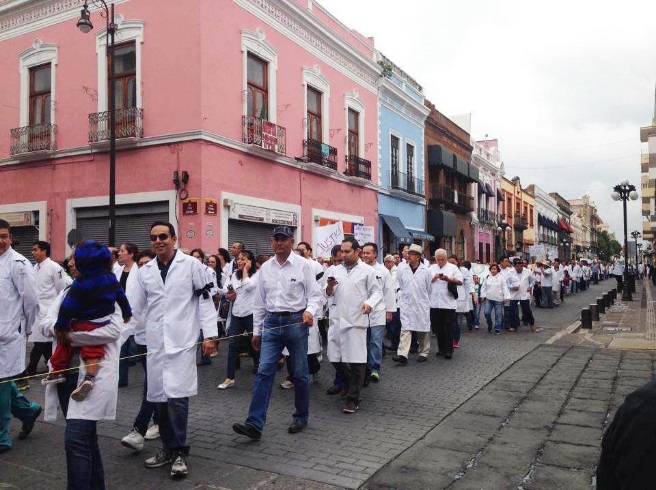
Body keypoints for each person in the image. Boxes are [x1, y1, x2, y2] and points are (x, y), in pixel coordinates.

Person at [128, 221, 218, 478]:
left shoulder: (191, 266)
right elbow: (132, 310)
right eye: (154, 237)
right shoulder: (144, 272)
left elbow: (205, 302)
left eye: (163, 236)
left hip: (182, 342)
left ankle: (179, 452)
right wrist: (117, 337)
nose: (158, 241)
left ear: (174, 238)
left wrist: (210, 335)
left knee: (178, 398)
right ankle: (168, 448)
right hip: (155, 344)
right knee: (159, 399)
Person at [39, 252, 124, 489]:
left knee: (75, 439)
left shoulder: (109, 292)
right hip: (65, 374)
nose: (72, 264)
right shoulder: (67, 291)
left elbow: (113, 331)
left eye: (78, 260)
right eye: (72, 260)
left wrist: (69, 334)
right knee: (86, 438)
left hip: (93, 376)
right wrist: (59, 329)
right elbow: (46, 321)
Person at [232, 226, 323, 440]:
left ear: (291, 242)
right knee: (264, 373)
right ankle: (254, 423)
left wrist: (309, 312)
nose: (279, 243)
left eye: (284, 239)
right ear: (271, 242)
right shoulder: (265, 269)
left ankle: (301, 416)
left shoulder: (303, 266)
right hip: (271, 324)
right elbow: (259, 303)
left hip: (296, 322)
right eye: (276, 239)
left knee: (300, 374)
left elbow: (315, 296)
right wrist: (257, 331)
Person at [42, 242, 132, 403]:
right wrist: (127, 313)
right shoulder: (111, 279)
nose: (70, 263)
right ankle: (90, 377)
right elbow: (122, 297)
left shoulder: (80, 284)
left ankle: (57, 370)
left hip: (82, 323)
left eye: (74, 259)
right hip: (101, 321)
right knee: (93, 349)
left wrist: (62, 328)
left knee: (63, 347)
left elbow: (67, 308)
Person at [325, 238, 382, 413]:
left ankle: (353, 399)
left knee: (356, 361)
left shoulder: (367, 271)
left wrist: (369, 304)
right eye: (342, 251)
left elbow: (377, 292)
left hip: (356, 320)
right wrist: (328, 287)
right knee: (334, 356)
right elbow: (326, 294)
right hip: (337, 320)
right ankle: (350, 384)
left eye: (347, 251)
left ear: (357, 251)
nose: (343, 254)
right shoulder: (335, 270)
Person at [0, 219, 42, 453]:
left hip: (7, 335)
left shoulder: (18, 264)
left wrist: (23, 328)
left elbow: (31, 302)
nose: (0, 241)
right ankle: (29, 410)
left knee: (1, 386)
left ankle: (1, 436)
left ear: (10, 236)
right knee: (2, 386)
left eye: (4, 236)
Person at [120, 249, 161, 452]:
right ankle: (158, 421)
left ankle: (140, 428)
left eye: (148, 263)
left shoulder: (160, 281)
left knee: (152, 384)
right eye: (141, 264)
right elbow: (132, 312)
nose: (144, 267)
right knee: (154, 383)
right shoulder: (136, 282)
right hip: (142, 339)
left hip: (162, 341)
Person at [16, 240, 71, 391]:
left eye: (35, 250)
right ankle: (52, 364)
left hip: (48, 309)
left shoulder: (54, 267)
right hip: (37, 309)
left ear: (44, 251)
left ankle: (31, 369)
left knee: (41, 341)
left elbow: (61, 288)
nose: (32, 252)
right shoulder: (34, 267)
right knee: (42, 341)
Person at [218, 250, 259, 390]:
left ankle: (261, 372)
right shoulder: (234, 275)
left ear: (250, 261)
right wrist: (229, 293)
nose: (240, 261)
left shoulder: (257, 275)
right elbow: (225, 289)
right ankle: (229, 377)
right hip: (237, 313)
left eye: (244, 259)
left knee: (256, 343)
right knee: (232, 345)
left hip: (251, 313)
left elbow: (249, 287)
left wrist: (246, 271)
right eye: (239, 259)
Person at [392, 244, 433, 364]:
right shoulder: (402, 269)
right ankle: (403, 355)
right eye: (408, 253)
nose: (408, 256)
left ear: (418, 257)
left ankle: (423, 352)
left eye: (411, 254)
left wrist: (424, 300)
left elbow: (429, 289)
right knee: (405, 329)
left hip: (421, 304)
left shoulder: (426, 271)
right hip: (407, 303)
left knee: (423, 330)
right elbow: (399, 283)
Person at [360, 243, 396, 383]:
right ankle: (364, 367)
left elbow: (389, 291)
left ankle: (375, 368)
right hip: (362, 311)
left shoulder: (383, 271)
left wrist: (389, 311)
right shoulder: (360, 269)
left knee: (375, 341)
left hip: (379, 310)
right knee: (363, 341)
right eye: (363, 253)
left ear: (375, 254)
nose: (365, 255)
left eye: (368, 253)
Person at [428, 249, 463, 359]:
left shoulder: (453, 268)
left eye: (442, 259)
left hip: (448, 303)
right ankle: (441, 349)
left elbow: (460, 281)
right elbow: (425, 282)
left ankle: (449, 350)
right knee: (438, 328)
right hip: (434, 303)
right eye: (438, 260)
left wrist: (449, 279)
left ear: (446, 258)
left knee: (448, 327)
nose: (440, 262)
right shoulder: (431, 268)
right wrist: (434, 278)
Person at [116, 242, 139, 387]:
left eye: (122, 251)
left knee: (138, 345)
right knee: (121, 346)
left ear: (131, 254)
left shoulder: (139, 270)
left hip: (136, 312)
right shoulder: (117, 271)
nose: (119, 253)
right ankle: (121, 378)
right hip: (120, 313)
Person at [507, 258, 537, 332]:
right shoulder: (510, 272)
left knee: (527, 310)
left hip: (524, 293)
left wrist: (530, 286)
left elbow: (533, 280)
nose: (519, 268)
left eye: (521, 266)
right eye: (517, 266)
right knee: (512, 310)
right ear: (514, 266)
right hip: (514, 294)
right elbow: (507, 283)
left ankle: (532, 324)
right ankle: (513, 326)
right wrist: (512, 287)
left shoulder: (527, 271)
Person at [479, 263, 510, 334]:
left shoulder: (501, 278)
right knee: (486, 313)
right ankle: (490, 324)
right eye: (492, 269)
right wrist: (482, 296)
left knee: (498, 314)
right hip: (489, 299)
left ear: (497, 270)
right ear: (490, 270)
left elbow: (505, 288)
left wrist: (506, 297)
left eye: (495, 269)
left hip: (498, 299)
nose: (493, 270)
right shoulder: (487, 277)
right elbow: (483, 287)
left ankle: (497, 328)